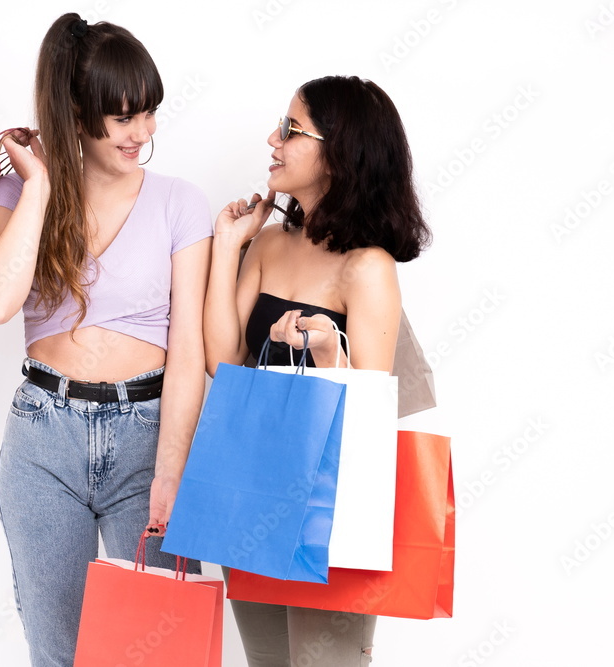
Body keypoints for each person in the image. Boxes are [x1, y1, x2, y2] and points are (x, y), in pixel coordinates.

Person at [0, 13, 212, 667]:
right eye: (124, 117)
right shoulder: (19, 192)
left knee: (161, 652)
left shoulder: (180, 203)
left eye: (149, 112)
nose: (144, 132)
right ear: (76, 112)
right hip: (43, 438)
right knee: (59, 654)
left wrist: (170, 469)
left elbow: (189, 351)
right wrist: (42, 185)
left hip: (148, 433)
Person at [204, 75, 432, 665]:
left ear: (340, 153)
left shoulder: (369, 267)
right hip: (255, 490)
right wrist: (228, 246)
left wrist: (329, 354)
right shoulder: (271, 245)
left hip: (331, 511)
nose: (272, 139)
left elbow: (369, 420)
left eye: (291, 129)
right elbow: (222, 363)